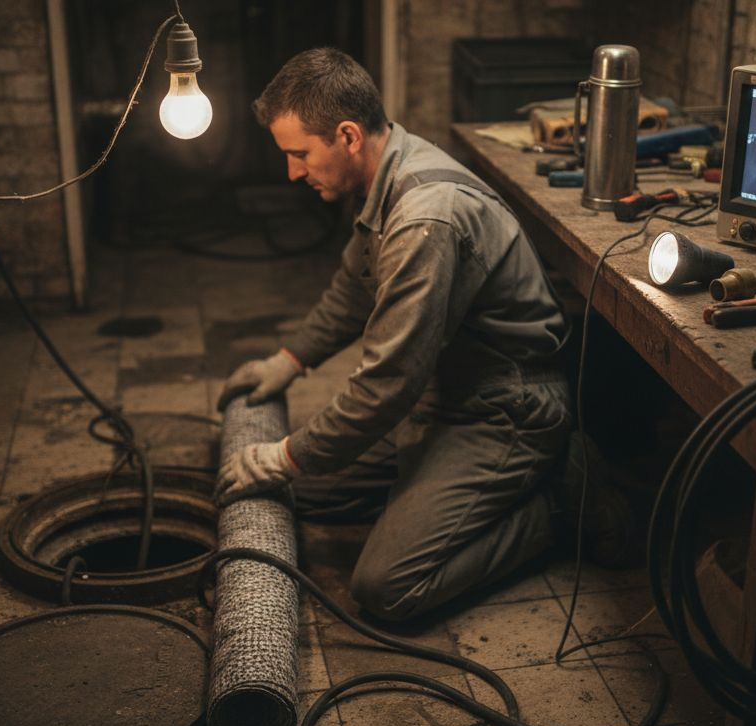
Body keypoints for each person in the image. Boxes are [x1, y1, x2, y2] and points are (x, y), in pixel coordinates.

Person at [215, 48, 618, 622]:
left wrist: (284, 453)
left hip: (508, 407)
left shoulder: (424, 218)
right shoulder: (387, 172)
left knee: (387, 585)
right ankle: (442, 490)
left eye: (299, 154)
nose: (293, 172)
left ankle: (561, 500)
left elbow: (387, 383)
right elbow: (354, 288)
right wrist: (290, 359)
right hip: (446, 392)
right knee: (308, 492)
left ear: (348, 136)